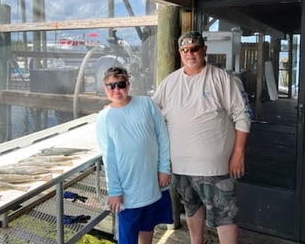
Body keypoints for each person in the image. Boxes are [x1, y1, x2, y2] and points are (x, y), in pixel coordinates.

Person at [152, 31, 252, 244]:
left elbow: (242, 115)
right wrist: (116, 107)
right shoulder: (169, 83)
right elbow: (149, 112)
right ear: (180, 53)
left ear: (204, 50)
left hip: (216, 168)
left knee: (225, 215)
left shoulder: (222, 78)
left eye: (195, 48)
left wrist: (238, 154)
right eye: (185, 50)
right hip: (180, 166)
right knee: (191, 207)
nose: (190, 53)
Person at [96, 66, 173, 244]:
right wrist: (114, 191)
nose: (116, 90)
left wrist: (164, 169)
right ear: (105, 88)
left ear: (128, 85)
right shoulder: (103, 118)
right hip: (127, 190)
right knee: (127, 236)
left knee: (148, 226)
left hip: (152, 182)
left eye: (120, 84)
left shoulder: (146, 103)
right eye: (111, 86)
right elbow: (109, 157)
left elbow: (162, 136)